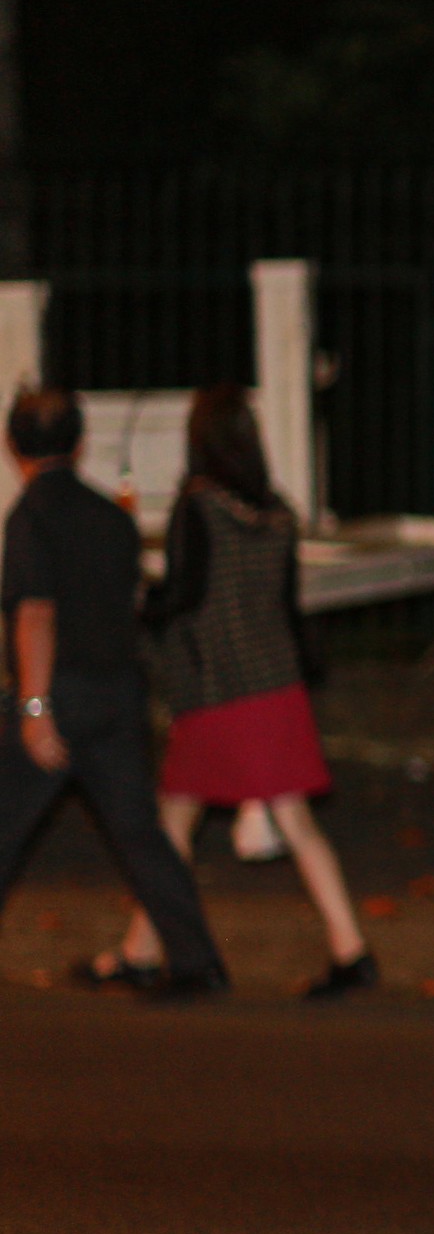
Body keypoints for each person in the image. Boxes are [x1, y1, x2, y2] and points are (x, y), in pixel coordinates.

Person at [103, 386, 372, 998]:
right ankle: (349, 947)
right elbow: (284, 601)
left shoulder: (199, 507)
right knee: (287, 822)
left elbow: (186, 595)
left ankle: (145, 951)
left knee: (173, 821)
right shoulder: (277, 511)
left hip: (218, 689)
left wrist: (140, 609)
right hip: (275, 682)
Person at [0, 387, 228, 999]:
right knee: (140, 832)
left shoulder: (28, 521)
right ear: (79, 443)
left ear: (12, 444)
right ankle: (195, 960)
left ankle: (190, 959)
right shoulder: (111, 518)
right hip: (119, 692)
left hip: (62, 693)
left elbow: (36, 616)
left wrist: (34, 706)